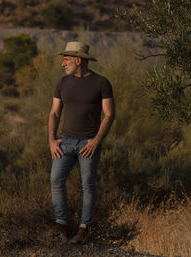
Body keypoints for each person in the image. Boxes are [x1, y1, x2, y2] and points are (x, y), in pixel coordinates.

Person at [48, 41, 115, 244]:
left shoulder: (101, 83)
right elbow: (54, 112)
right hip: (65, 142)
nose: (63, 64)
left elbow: (110, 115)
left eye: (66, 59)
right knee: (55, 180)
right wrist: (52, 139)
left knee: (87, 185)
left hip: (88, 144)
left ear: (78, 60)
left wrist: (95, 141)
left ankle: (83, 229)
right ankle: (62, 224)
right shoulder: (62, 83)